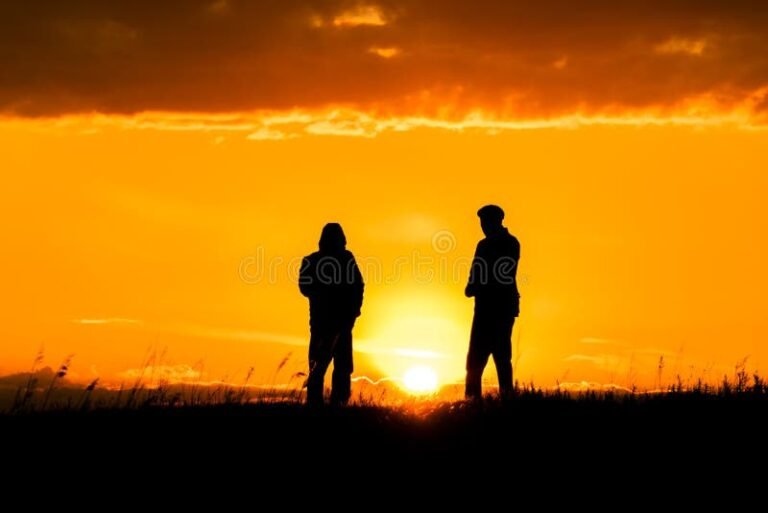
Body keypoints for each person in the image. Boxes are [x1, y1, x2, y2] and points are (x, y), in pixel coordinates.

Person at [299, 223, 364, 406]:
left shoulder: (344, 259)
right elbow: (305, 287)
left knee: (339, 367)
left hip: (340, 324)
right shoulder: (314, 261)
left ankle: (337, 404)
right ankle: (318, 405)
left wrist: (354, 312)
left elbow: (358, 286)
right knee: (318, 368)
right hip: (323, 324)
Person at [464, 205, 521, 399]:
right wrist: (472, 285)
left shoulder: (506, 244)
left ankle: (499, 400)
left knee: (497, 358)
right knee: (481, 361)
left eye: (485, 222)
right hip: (489, 308)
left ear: (496, 221)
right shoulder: (493, 244)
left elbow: (499, 273)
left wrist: (475, 286)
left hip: (496, 309)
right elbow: (477, 271)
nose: (483, 226)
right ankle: (475, 403)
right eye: (482, 222)